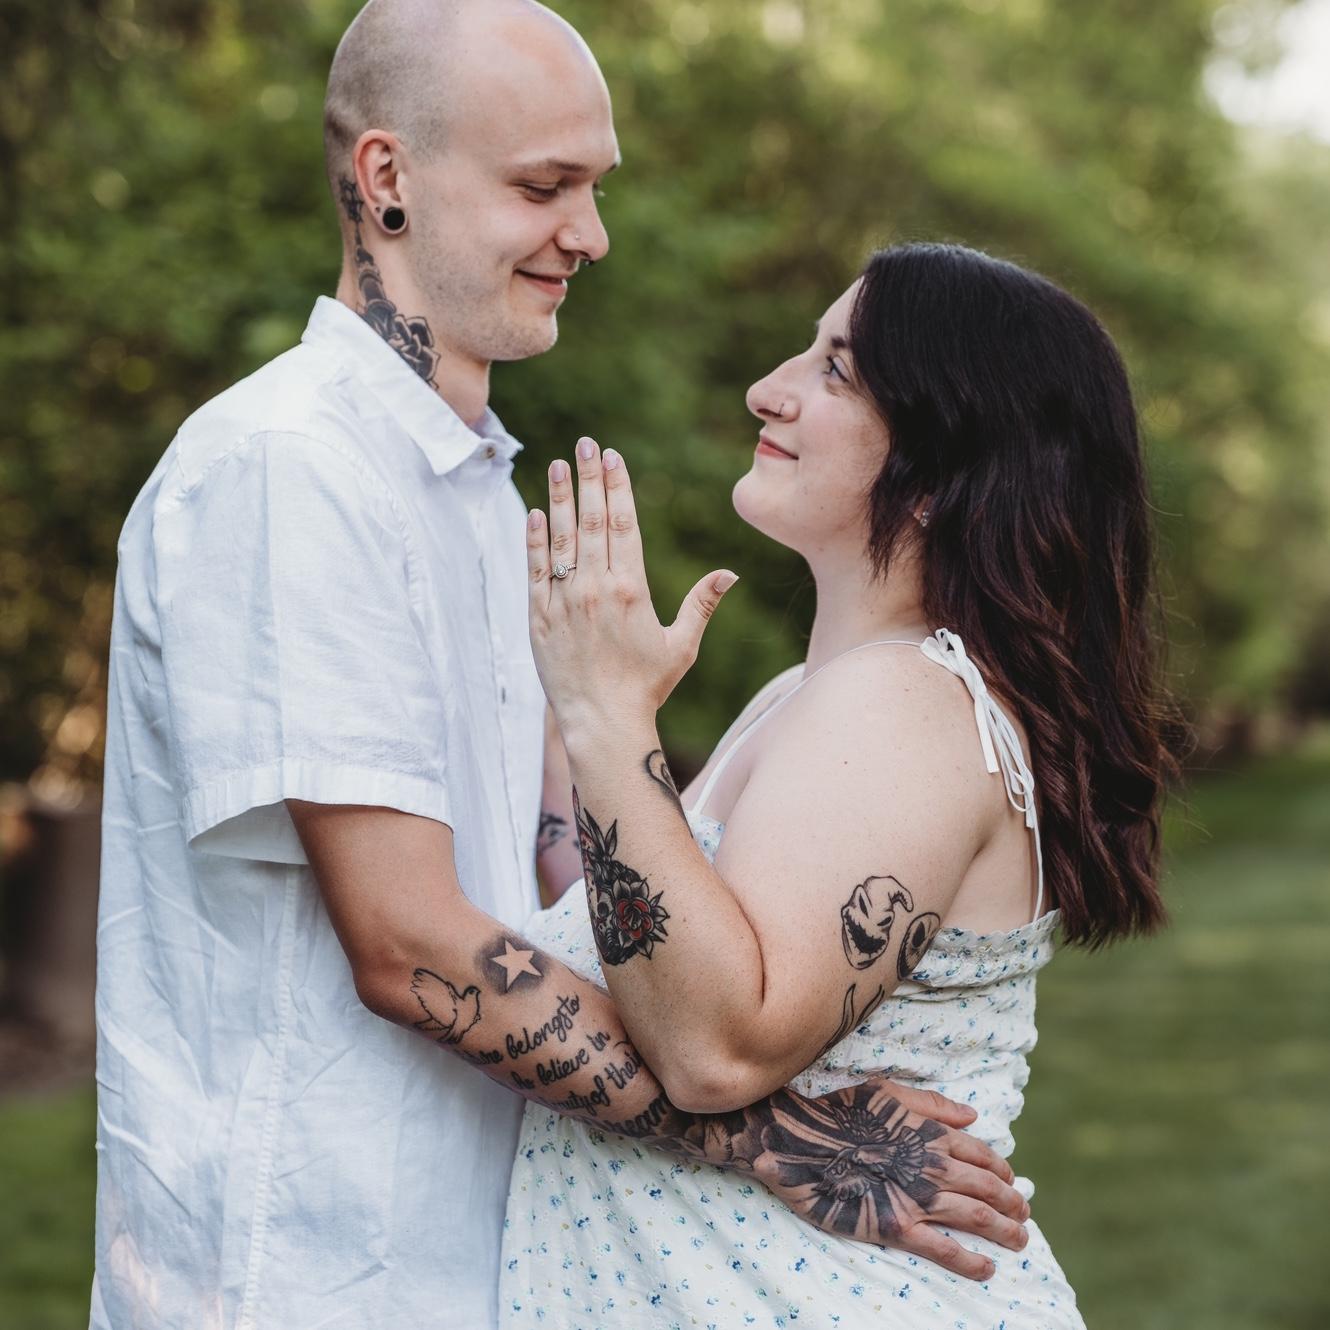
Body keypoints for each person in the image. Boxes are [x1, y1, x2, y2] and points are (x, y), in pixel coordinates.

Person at [90, 1, 1027, 1325]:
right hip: (311, 1261)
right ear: (387, 179)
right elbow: (404, 937)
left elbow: (547, 883)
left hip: (495, 1253)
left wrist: (613, 739)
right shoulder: (292, 470)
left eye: (594, 187)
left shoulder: (478, 489)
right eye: (543, 188)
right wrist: (781, 1138)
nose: (589, 234)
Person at [505, 242, 1177, 1327]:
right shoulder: (814, 696)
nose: (766, 389)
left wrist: (608, 718)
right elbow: (645, 935)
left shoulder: (904, 704)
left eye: (835, 371)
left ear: (945, 468)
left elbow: (715, 1047)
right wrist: (563, 710)